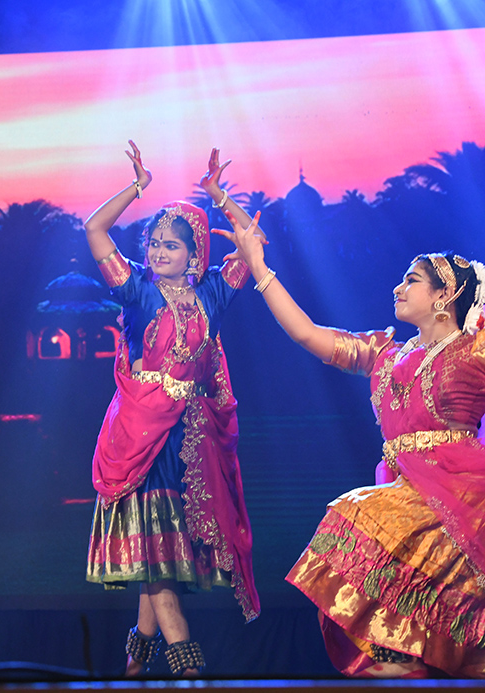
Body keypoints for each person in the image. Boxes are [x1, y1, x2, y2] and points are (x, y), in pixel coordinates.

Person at [218, 212, 485, 678]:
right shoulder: (385, 353)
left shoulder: (473, 350)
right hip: (410, 493)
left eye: (412, 280)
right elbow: (307, 334)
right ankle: (402, 658)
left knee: (354, 512)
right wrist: (258, 267)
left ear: (445, 294)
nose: (398, 287)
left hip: (461, 493)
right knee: (357, 547)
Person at [82, 143, 262, 676]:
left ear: (195, 254)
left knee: (156, 555)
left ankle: (136, 656)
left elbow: (252, 244)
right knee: (157, 568)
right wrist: (138, 187)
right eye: (154, 242)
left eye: (172, 245)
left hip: (190, 441)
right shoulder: (136, 289)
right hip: (138, 437)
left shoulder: (213, 295)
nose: (159, 251)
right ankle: (190, 670)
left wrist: (218, 197)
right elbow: (94, 231)